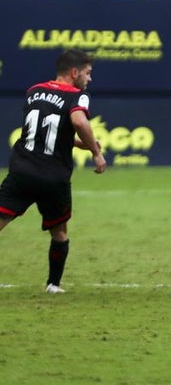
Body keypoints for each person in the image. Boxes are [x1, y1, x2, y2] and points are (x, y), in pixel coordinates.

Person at [0, 50, 107, 293]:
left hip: (22, 171)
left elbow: (44, 133)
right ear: (74, 72)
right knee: (59, 232)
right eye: (88, 73)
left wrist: (77, 143)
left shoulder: (33, 91)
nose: (89, 79)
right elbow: (79, 122)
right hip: (53, 177)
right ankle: (53, 285)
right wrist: (95, 152)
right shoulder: (78, 96)